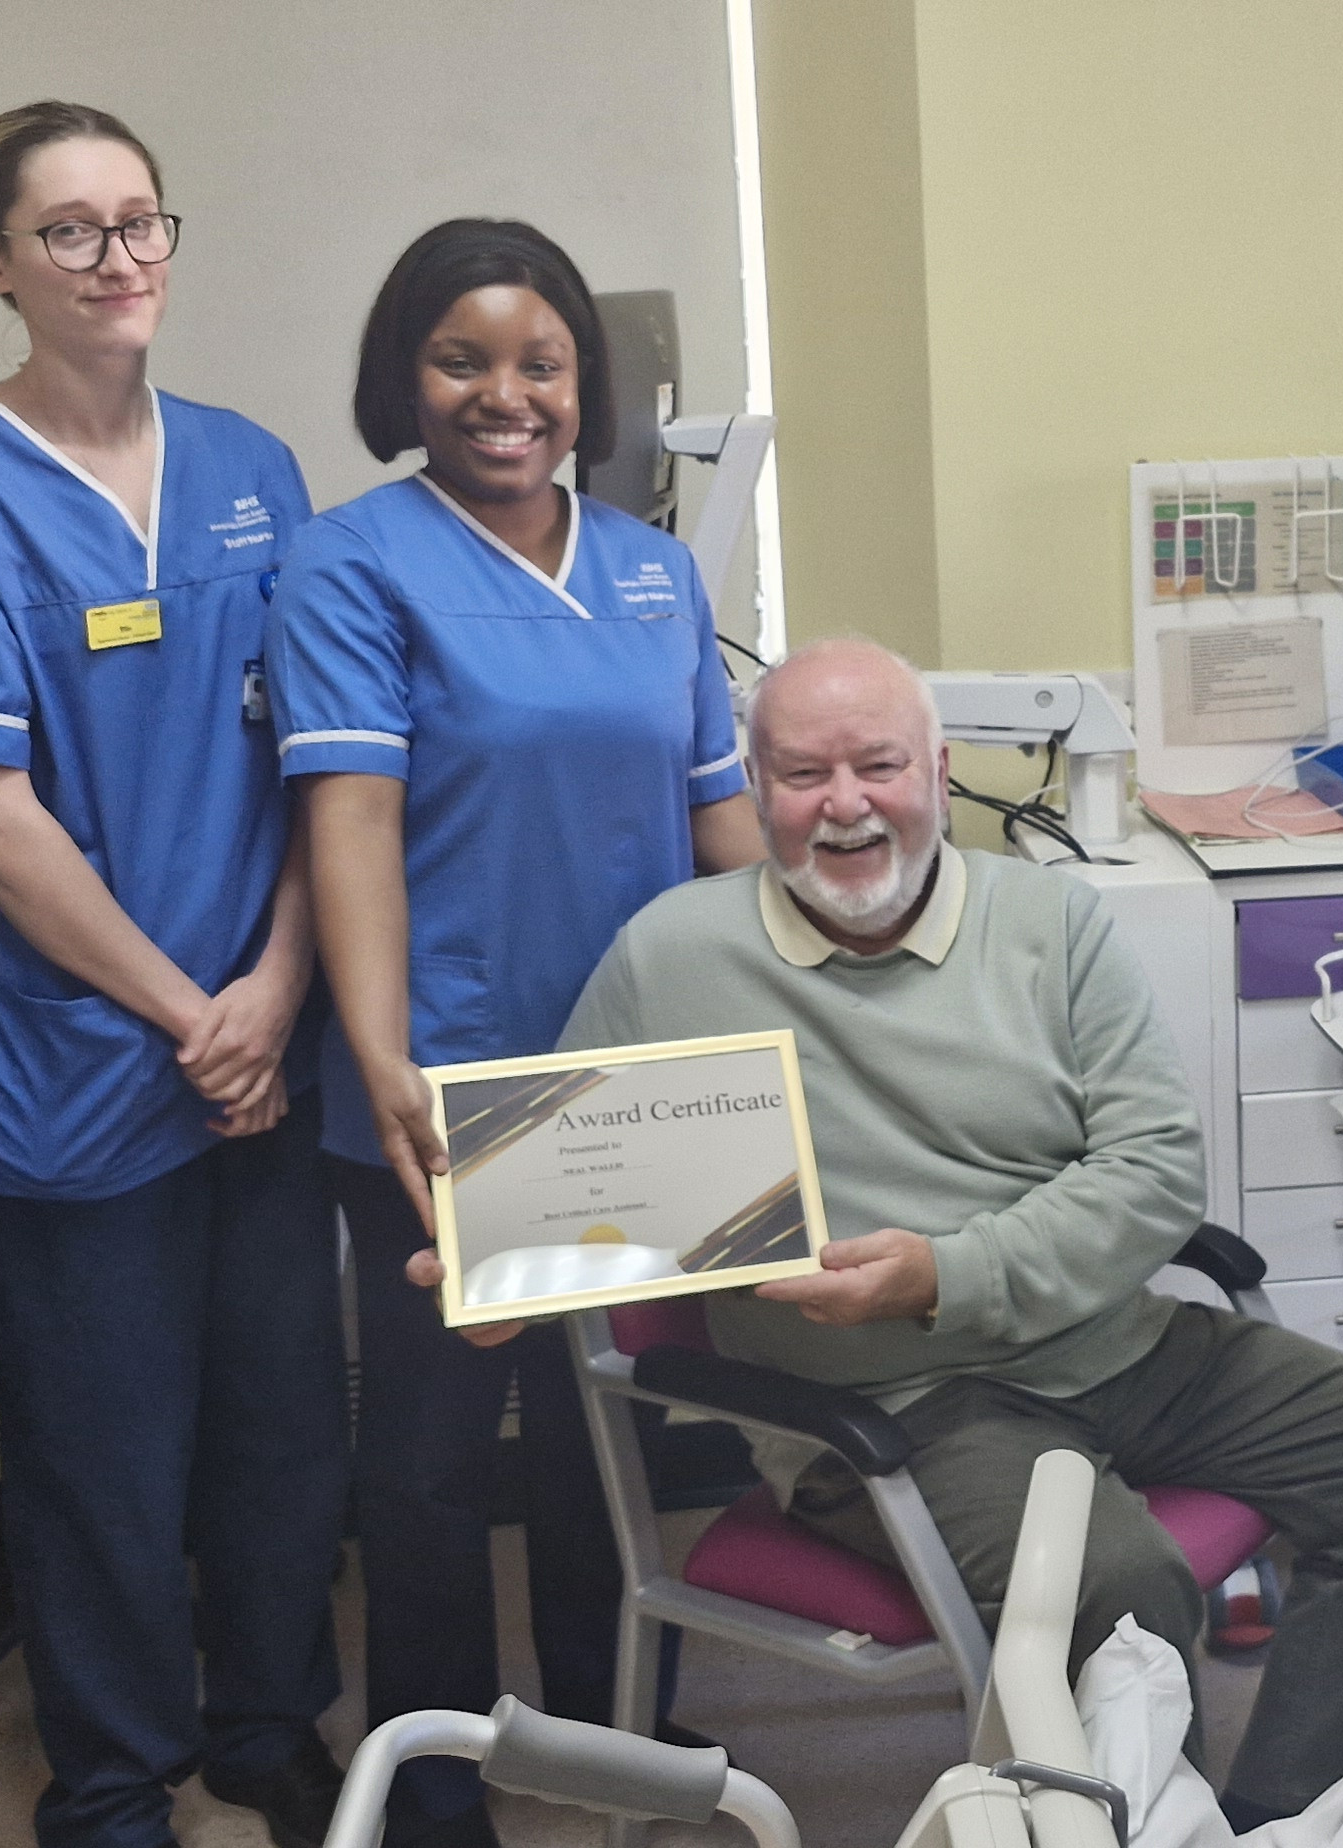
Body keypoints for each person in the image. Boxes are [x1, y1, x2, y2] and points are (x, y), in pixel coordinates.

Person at [424, 638, 1343, 1831]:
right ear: (756, 791)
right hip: (891, 1405)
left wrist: (946, 1275)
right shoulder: (672, 954)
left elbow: (1153, 1172)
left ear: (936, 773)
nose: (844, 805)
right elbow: (581, 1192)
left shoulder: (1051, 923)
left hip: (1116, 1346)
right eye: (802, 775)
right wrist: (502, 1272)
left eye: (878, 766)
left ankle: (1288, 1818)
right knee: (1117, 1587)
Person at [0, 101, 342, 1848]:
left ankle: (272, 1728)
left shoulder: (252, 469)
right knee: (103, 1467)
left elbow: (325, 770)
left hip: (266, 1042)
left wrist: (275, 988)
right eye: (68, 229)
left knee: (283, 1433)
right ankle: (118, 1786)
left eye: (141, 220)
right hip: (82, 1064)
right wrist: (194, 1013)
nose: (116, 257)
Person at [268, 216, 758, 1848]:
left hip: (637, 1076)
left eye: (540, 364)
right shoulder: (351, 562)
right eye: (461, 359)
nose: (506, 395)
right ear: (404, 377)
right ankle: (429, 1780)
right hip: (452, 1075)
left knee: (611, 1435)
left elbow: (721, 825)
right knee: (429, 1457)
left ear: (583, 383)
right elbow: (350, 823)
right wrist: (385, 1058)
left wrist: (840, 966)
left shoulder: (652, 571)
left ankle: (616, 1728)